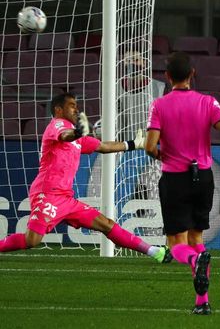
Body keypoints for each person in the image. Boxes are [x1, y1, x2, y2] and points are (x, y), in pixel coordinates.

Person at [145, 52, 220, 315]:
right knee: (197, 237)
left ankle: (195, 261)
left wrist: (158, 153)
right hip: (203, 177)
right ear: (192, 74)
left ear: (167, 76)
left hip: (175, 178)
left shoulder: (160, 105)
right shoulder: (208, 103)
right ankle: (202, 302)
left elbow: (151, 145)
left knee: (177, 244)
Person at [0, 93, 172, 263]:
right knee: (32, 240)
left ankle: (154, 251)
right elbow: (65, 135)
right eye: (72, 105)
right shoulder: (57, 125)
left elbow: (103, 146)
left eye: (77, 106)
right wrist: (77, 132)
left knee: (106, 224)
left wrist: (134, 144)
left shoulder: (78, 138)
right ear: (58, 109)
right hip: (48, 194)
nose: (76, 109)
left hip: (66, 198)